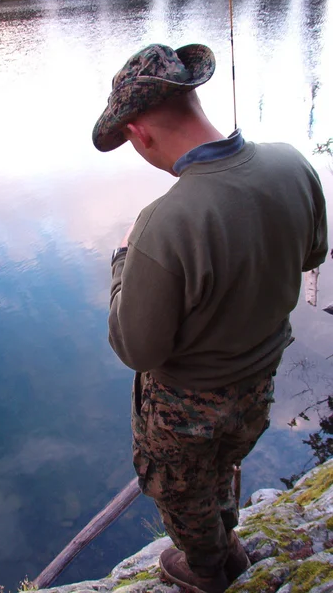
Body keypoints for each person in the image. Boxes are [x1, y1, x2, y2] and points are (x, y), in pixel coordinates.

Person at [91, 43, 329, 593]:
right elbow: (312, 255)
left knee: (179, 488)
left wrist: (125, 261)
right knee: (222, 465)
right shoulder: (294, 164)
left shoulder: (162, 224)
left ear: (139, 132)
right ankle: (229, 543)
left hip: (185, 407)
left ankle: (205, 570)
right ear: (193, 97)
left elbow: (137, 349)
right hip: (258, 384)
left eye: (128, 139)